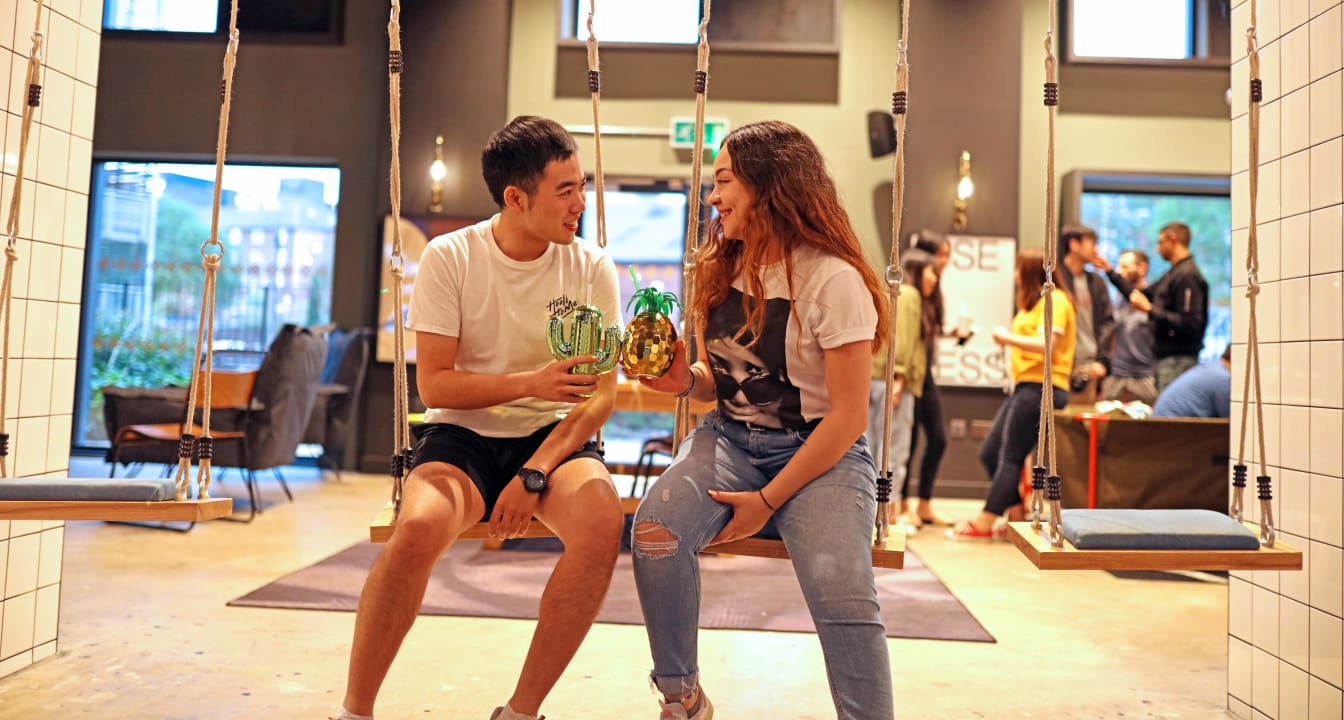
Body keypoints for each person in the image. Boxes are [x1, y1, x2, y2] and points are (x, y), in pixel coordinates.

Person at [332, 116, 626, 720]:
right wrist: (530, 382)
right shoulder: (451, 257)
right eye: (564, 190)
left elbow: (600, 396)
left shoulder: (593, 266)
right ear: (516, 198)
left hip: (554, 441)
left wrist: (537, 472)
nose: (580, 203)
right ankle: (354, 712)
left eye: (581, 185)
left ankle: (520, 711)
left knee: (601, 525)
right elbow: (435, 383)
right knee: (414, 531)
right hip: (462, 434)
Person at [631, 120, 894, 720]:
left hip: (821, 451)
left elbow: (850, 416)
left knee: (841, 589)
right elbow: (711, 384)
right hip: (729, 440)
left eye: (724, 181)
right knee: (654, 533)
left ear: (768, 186)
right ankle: (682, 696)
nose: (713, 197)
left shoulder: (834, 280)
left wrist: (768, 499)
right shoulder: (717, 268)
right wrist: (680, 380)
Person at [949, 248, 1075, 540]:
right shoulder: (1035, 304)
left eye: (1019, 269)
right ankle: (1016, 514)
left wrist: (1006, 338)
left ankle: (984, 521)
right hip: (1026, 386)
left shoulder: (1057, 301)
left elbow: (1048, 345)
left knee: (1010, 455)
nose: (1015, 275)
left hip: (1043, 386)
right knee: (990, 452)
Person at [866, 250, 934, 529]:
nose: (935, 277)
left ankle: (870, 512)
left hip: (871, 378)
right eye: (932, 271)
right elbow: (901, 337)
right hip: (892, 382)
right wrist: (901, 377)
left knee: (869, 447)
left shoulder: (886, 291)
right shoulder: (909, 295)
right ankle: (888, 515)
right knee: (893, 450)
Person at [1105, 221, 1208, 393]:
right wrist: (1110, 273)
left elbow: (1192, 322)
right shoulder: (1173, 273)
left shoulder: (1187, 276)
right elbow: (1141, 295)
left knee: (1170, 416)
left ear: (1173, 240)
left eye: (1160, 242)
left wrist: (1149, 310)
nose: (1158, 248)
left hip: (1178, 360)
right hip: (1164, 360)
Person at [1057, 224, 1115, 402]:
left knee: (1085, 427)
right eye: (1092, 244)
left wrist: (1103, 361)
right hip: (1059, 368)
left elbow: (1108, 322)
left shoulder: (1096, 282)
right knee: (1054, 425)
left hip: (1089, 369)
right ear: (1074, 245)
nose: (1096, 250)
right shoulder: (1054, 278)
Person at [1094, 249, 1157, 405]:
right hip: (1116, 375)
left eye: (1126, 267)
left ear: (1142, 268)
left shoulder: (1154, 300)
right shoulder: (1118, 300)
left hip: (1146, 376)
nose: (1120, 272)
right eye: (1119, 267)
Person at [1152, 345, 1231, 419]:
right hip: (1171, 427)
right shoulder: (1222, 378)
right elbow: (1231, 421)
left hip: (1162, 423)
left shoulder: (1213, 367)